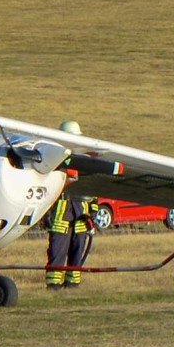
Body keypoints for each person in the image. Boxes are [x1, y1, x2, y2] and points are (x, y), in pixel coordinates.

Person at [45, 120, 98, 290]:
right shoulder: (55, 159)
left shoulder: (85, 161)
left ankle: (73, 283)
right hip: (61, 212)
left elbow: (93, 190)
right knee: (57, 251)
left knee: (78, 250)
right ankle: (53, 284)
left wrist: (93, 213)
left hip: (81, 214)